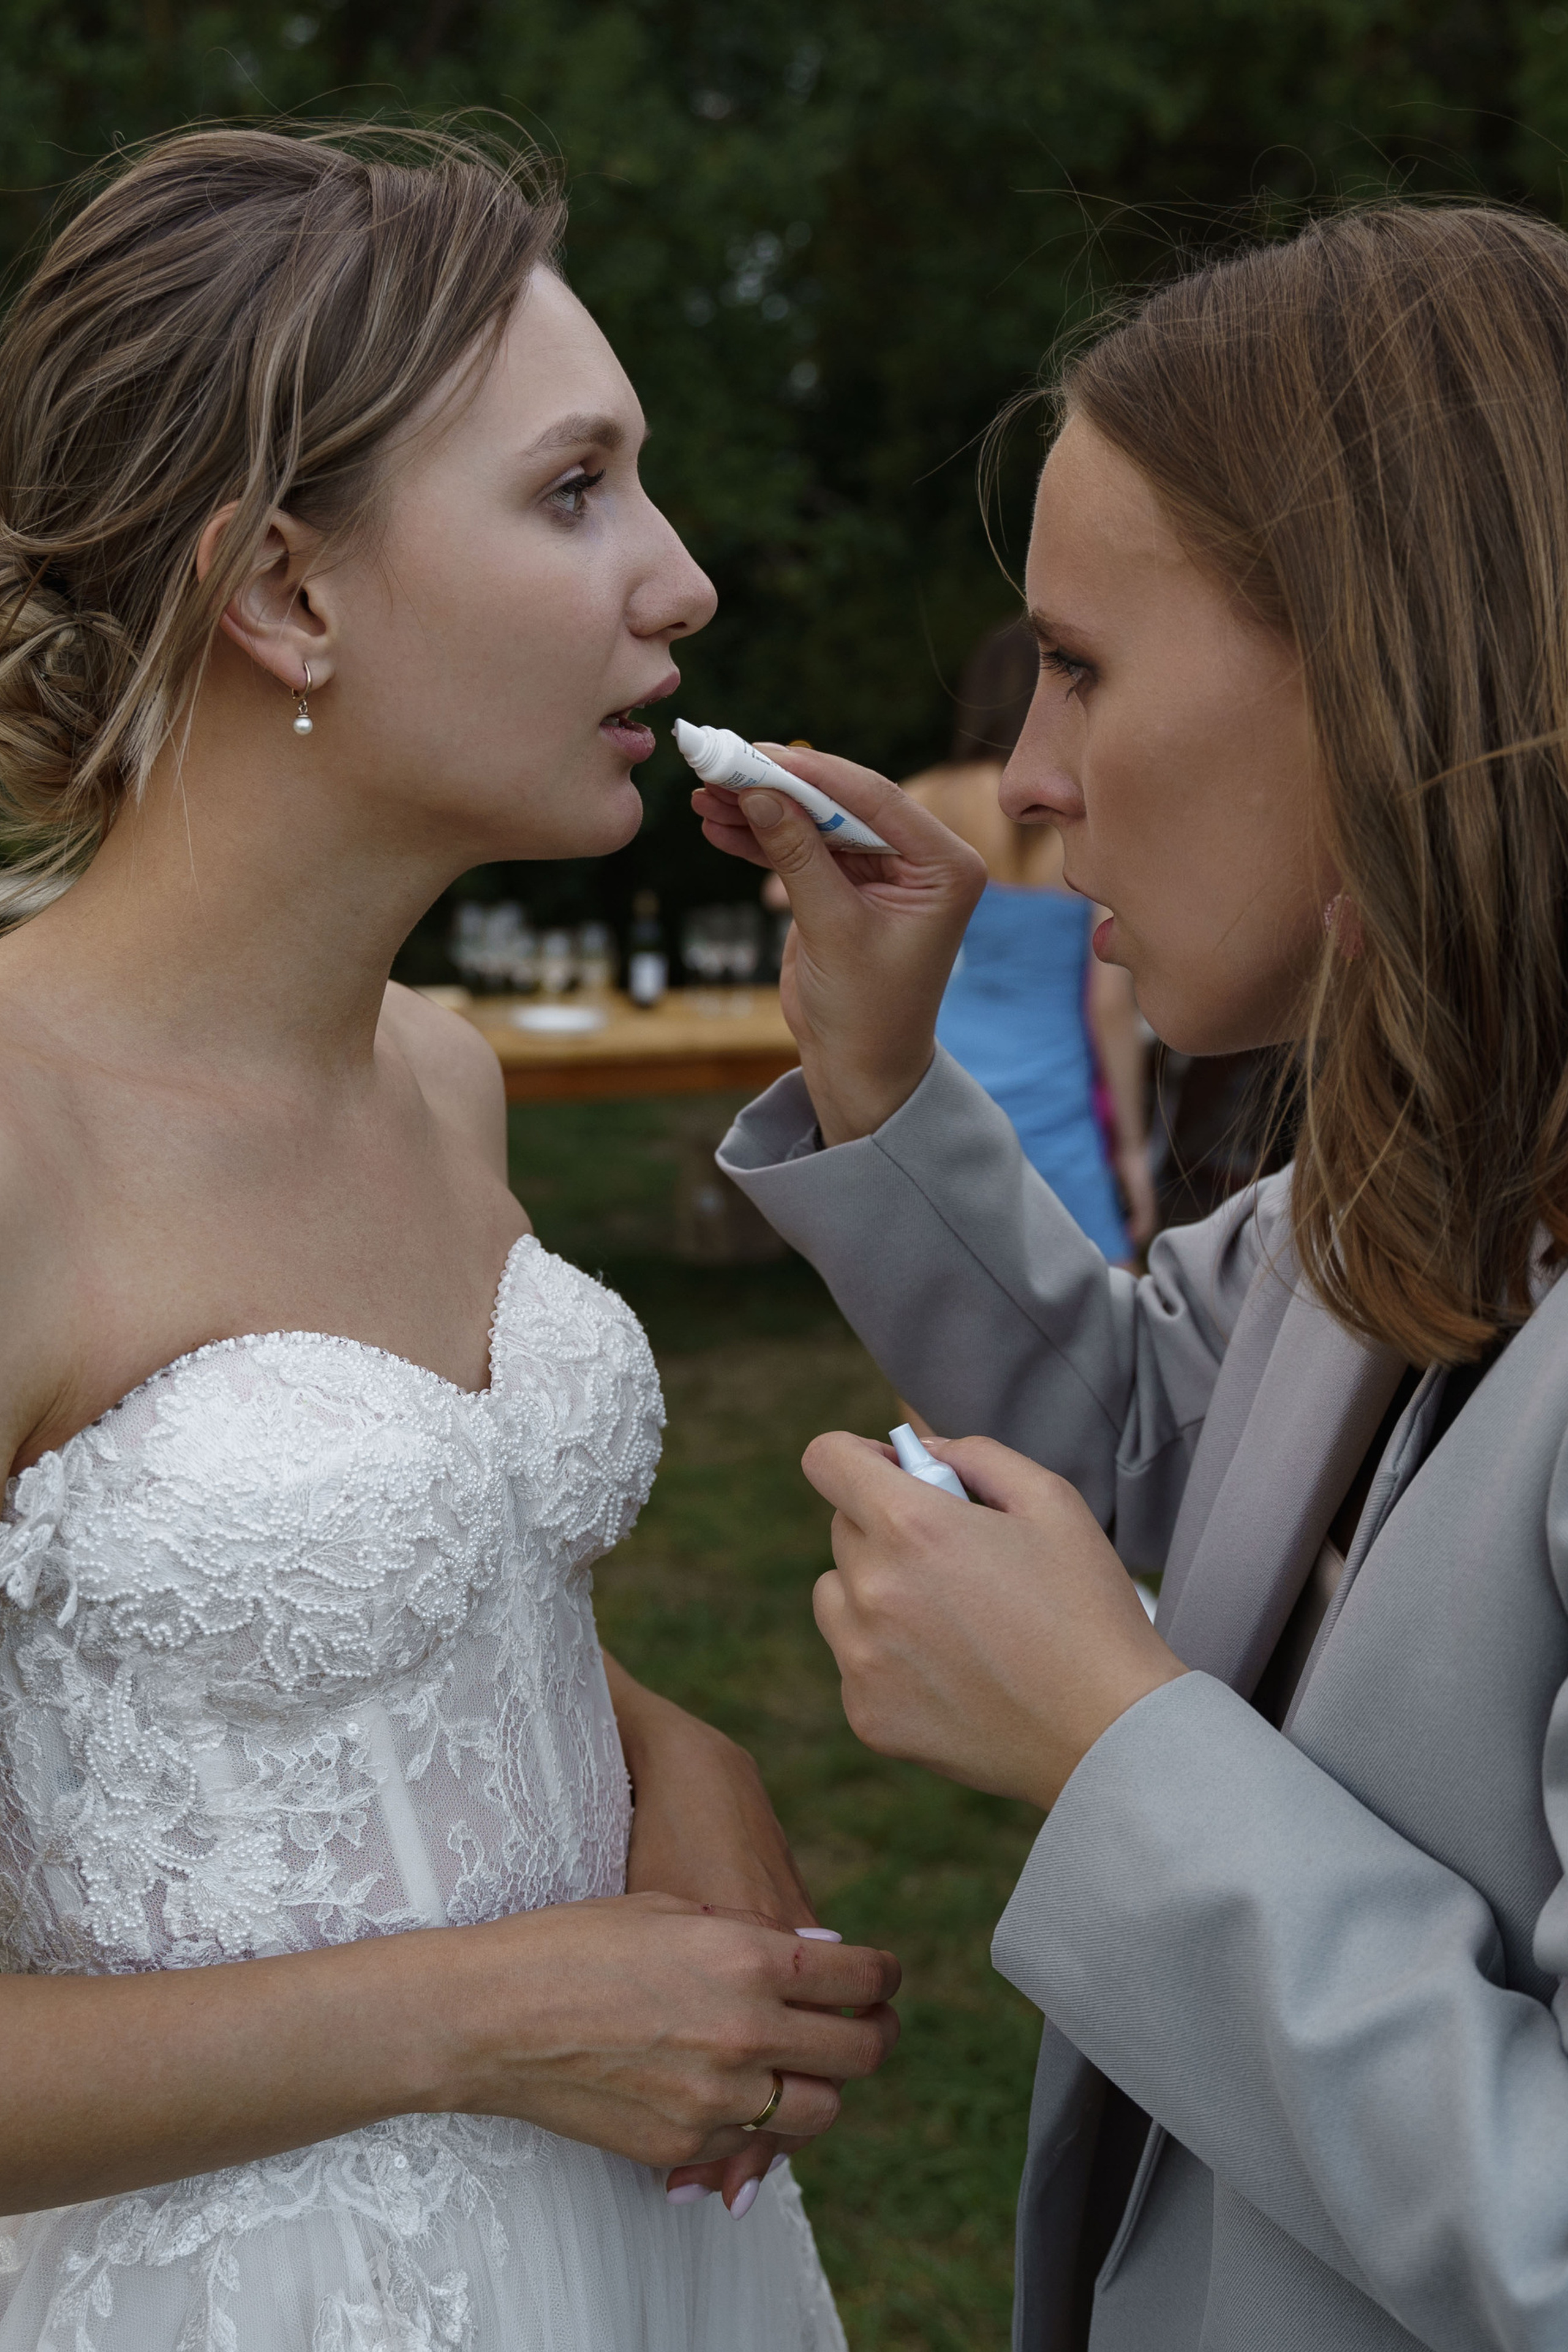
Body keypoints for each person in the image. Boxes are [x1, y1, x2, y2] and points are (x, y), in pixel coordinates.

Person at [0, 125, 900, 2351]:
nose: (679, 582)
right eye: (575, 490)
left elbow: (325, 1638)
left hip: (629, 2262)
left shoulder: (440, 1072)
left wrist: (666, 1745)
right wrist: (493, 2015)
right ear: (285, 594)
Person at [696, 204, 1568, 2349]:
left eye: (1079, 663)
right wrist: (881, 1074)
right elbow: (1157, 1430)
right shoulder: (1421, 1155)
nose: (1031, 775)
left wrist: (1112, 1743)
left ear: (1383, 657)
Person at [903, 618, 1154, 1261]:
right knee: (1101, 1283)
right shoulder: (1082, 810)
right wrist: (1131, 1149)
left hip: (947, 1069)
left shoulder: (928, 797)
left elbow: (797, 889)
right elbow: (1109, 1002)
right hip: (1052, 1082)